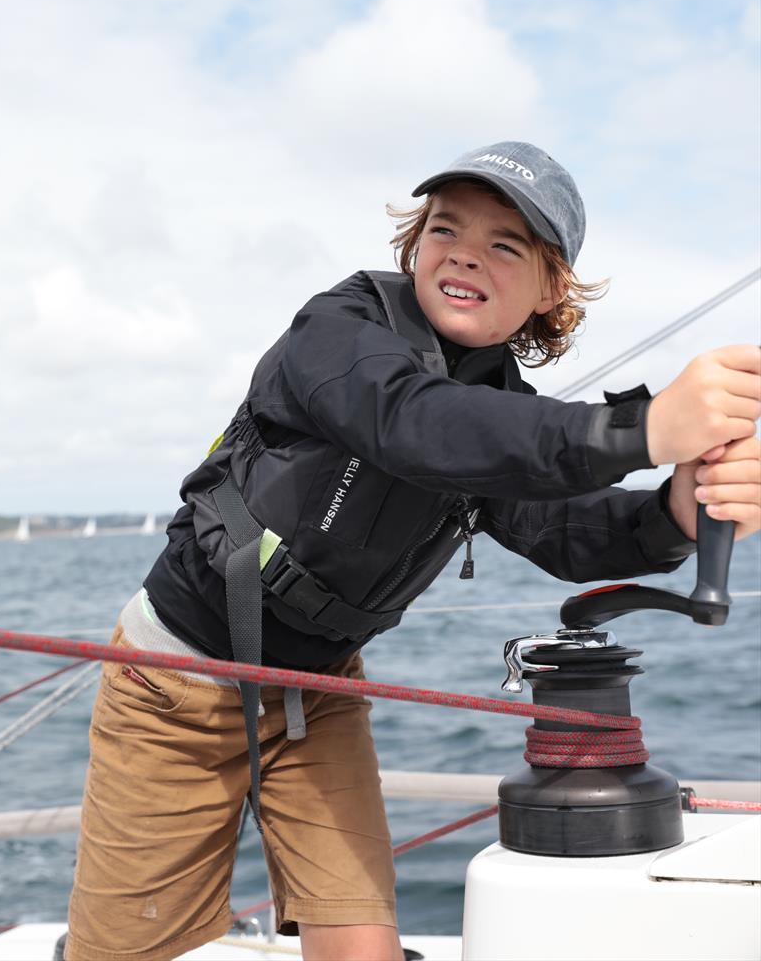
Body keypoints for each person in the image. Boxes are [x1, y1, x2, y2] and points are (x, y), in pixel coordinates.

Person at [65, 142, 761, 961]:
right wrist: (641, 428)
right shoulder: (339, 330)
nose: (464, 251)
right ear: (415, 246)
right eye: (444, 229)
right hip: (173, 685)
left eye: (506, 244)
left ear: (550, 291)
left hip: (315, 694)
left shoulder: (505, 420)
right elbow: (411, 423)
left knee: (363, 946)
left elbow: (565, 529)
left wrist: (677, 512)